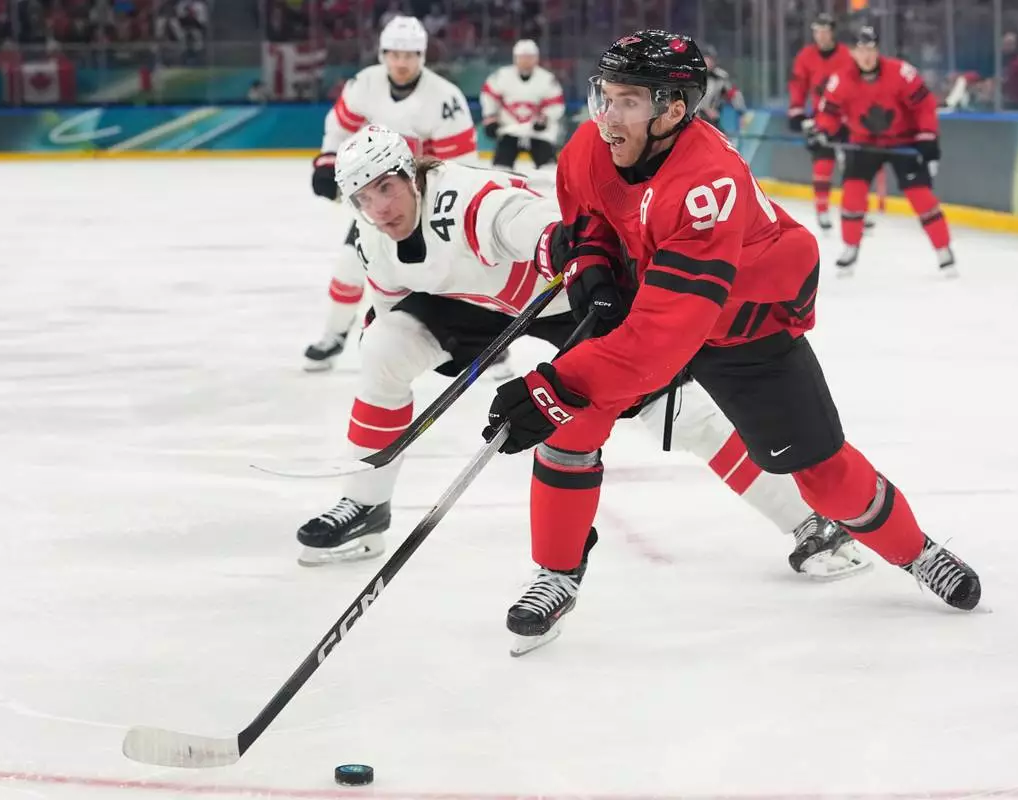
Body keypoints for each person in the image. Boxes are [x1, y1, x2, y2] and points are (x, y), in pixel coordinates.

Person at [481, 29, 981, 651]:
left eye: (628, 101)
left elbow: (662, 339)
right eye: (604, 95)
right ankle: (556, 573)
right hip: (662, 292)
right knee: (572, 423)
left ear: (672, 110)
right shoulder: (591, 144)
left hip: (744, 318)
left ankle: (917, 551)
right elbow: (591, 222)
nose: (608, 115)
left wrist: (556, 385)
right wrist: (593, 268)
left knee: (823, 475)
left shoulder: (705, 182)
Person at [296, 124, 867, 589]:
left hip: (564, 292)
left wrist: (561, 246)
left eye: (386, 188)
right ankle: (365, 505)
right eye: (363, 198)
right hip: (479, 304)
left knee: (679, 413)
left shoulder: (460, 198)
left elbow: (518, 218)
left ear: (410, 174)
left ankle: (808, 521)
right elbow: (392, 300)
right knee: (384, 347)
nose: (378, 208)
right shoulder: (372, 238)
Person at [304, 15, 478, 373]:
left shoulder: (445, 98)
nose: (402, 63)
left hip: (427, 204)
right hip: (379, 204)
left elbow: (461, 167)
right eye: (395, 54)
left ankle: (485, 341)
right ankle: (334, 335)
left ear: (422, 56)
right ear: (383, 54)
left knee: (448, 278)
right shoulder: (364, 84)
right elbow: (339, 129)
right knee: (349, 266)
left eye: (410, 55)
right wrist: (327, 161)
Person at [810, 25, 955, 276]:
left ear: (877, 50)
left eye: (870, 49)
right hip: (864, 143)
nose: (866, 56)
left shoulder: (901, 73)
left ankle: (943, 249)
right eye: (860, 50)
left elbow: (924, 105)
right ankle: (850, 248)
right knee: (852, 194)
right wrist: (821, 131)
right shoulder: (841, 79)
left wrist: (928, 138)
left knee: (921, 195)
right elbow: (829, 113)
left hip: (903, 141)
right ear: (852, 53)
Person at [787, 13, 856, 231]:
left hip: (847, 119)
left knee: (853, 168)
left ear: (832, 32)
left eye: (825, 31)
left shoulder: (846, 55)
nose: (821, 36)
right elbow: (798, 85)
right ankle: (822, 210)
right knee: (823, 164)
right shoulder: (806, 56)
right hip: (822, 118)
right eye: (817, 31)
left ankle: (854, 210)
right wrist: (797, 111)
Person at [480, 39, 565, 170]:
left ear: (536, 58)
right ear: (515, 58)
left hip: (538, 133)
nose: (525, 61)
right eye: (522, 57)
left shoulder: (547, 79)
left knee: (549, 169)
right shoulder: (501, 76)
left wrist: (545, 118)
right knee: (500, 169)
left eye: (529, 57)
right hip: (509, 129)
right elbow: (489, 96)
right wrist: (490, 117)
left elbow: (556, 103)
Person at [696, 45, 746, 132]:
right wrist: (704, 110)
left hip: (713, 119)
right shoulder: (693, 76)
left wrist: (741, 113)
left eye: (711, 59)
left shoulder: (721, 77)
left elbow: (733, 94)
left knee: (720, 137)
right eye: (706, 58)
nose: (709, 62)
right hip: (695, 118)